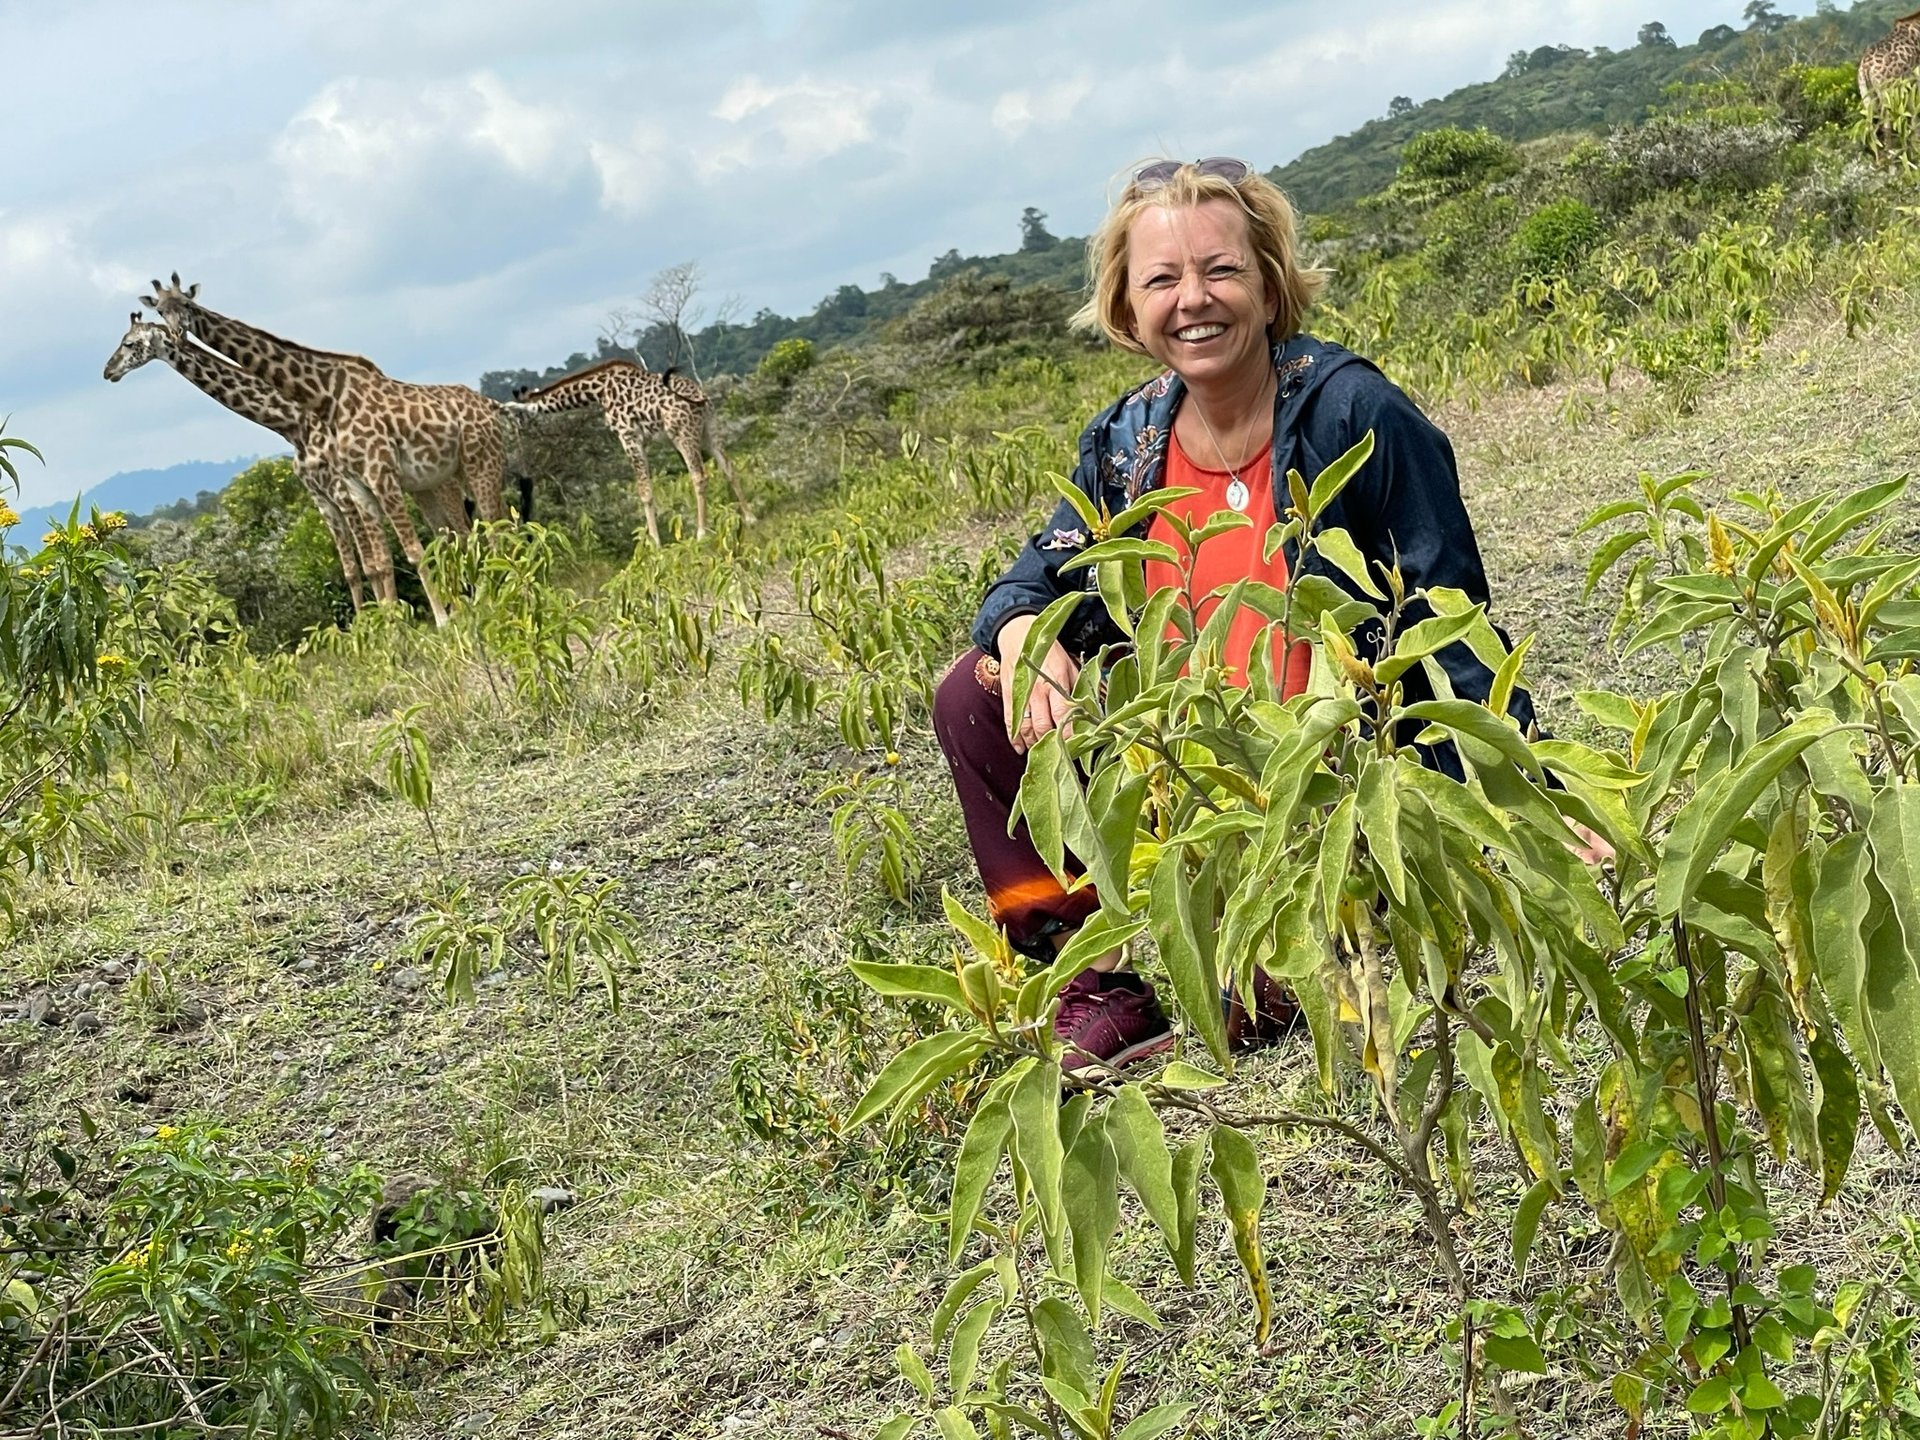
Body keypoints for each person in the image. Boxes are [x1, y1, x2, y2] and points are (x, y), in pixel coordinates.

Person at [932, 156, 1545, 1072]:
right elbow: (1026, 583)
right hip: (1197, 791)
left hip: (1345, 784)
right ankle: (1092, 984)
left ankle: (1318, 927)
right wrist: (1028, 634)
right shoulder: (1126, 441)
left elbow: (1450, 612)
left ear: (1268, 283)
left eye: (1221, 269)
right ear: (1127, 306)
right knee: (972, 692)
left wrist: (1523, 796)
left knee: (1280, 1002)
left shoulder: (1351, 411)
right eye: (1162, 279)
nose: (1194, 299)